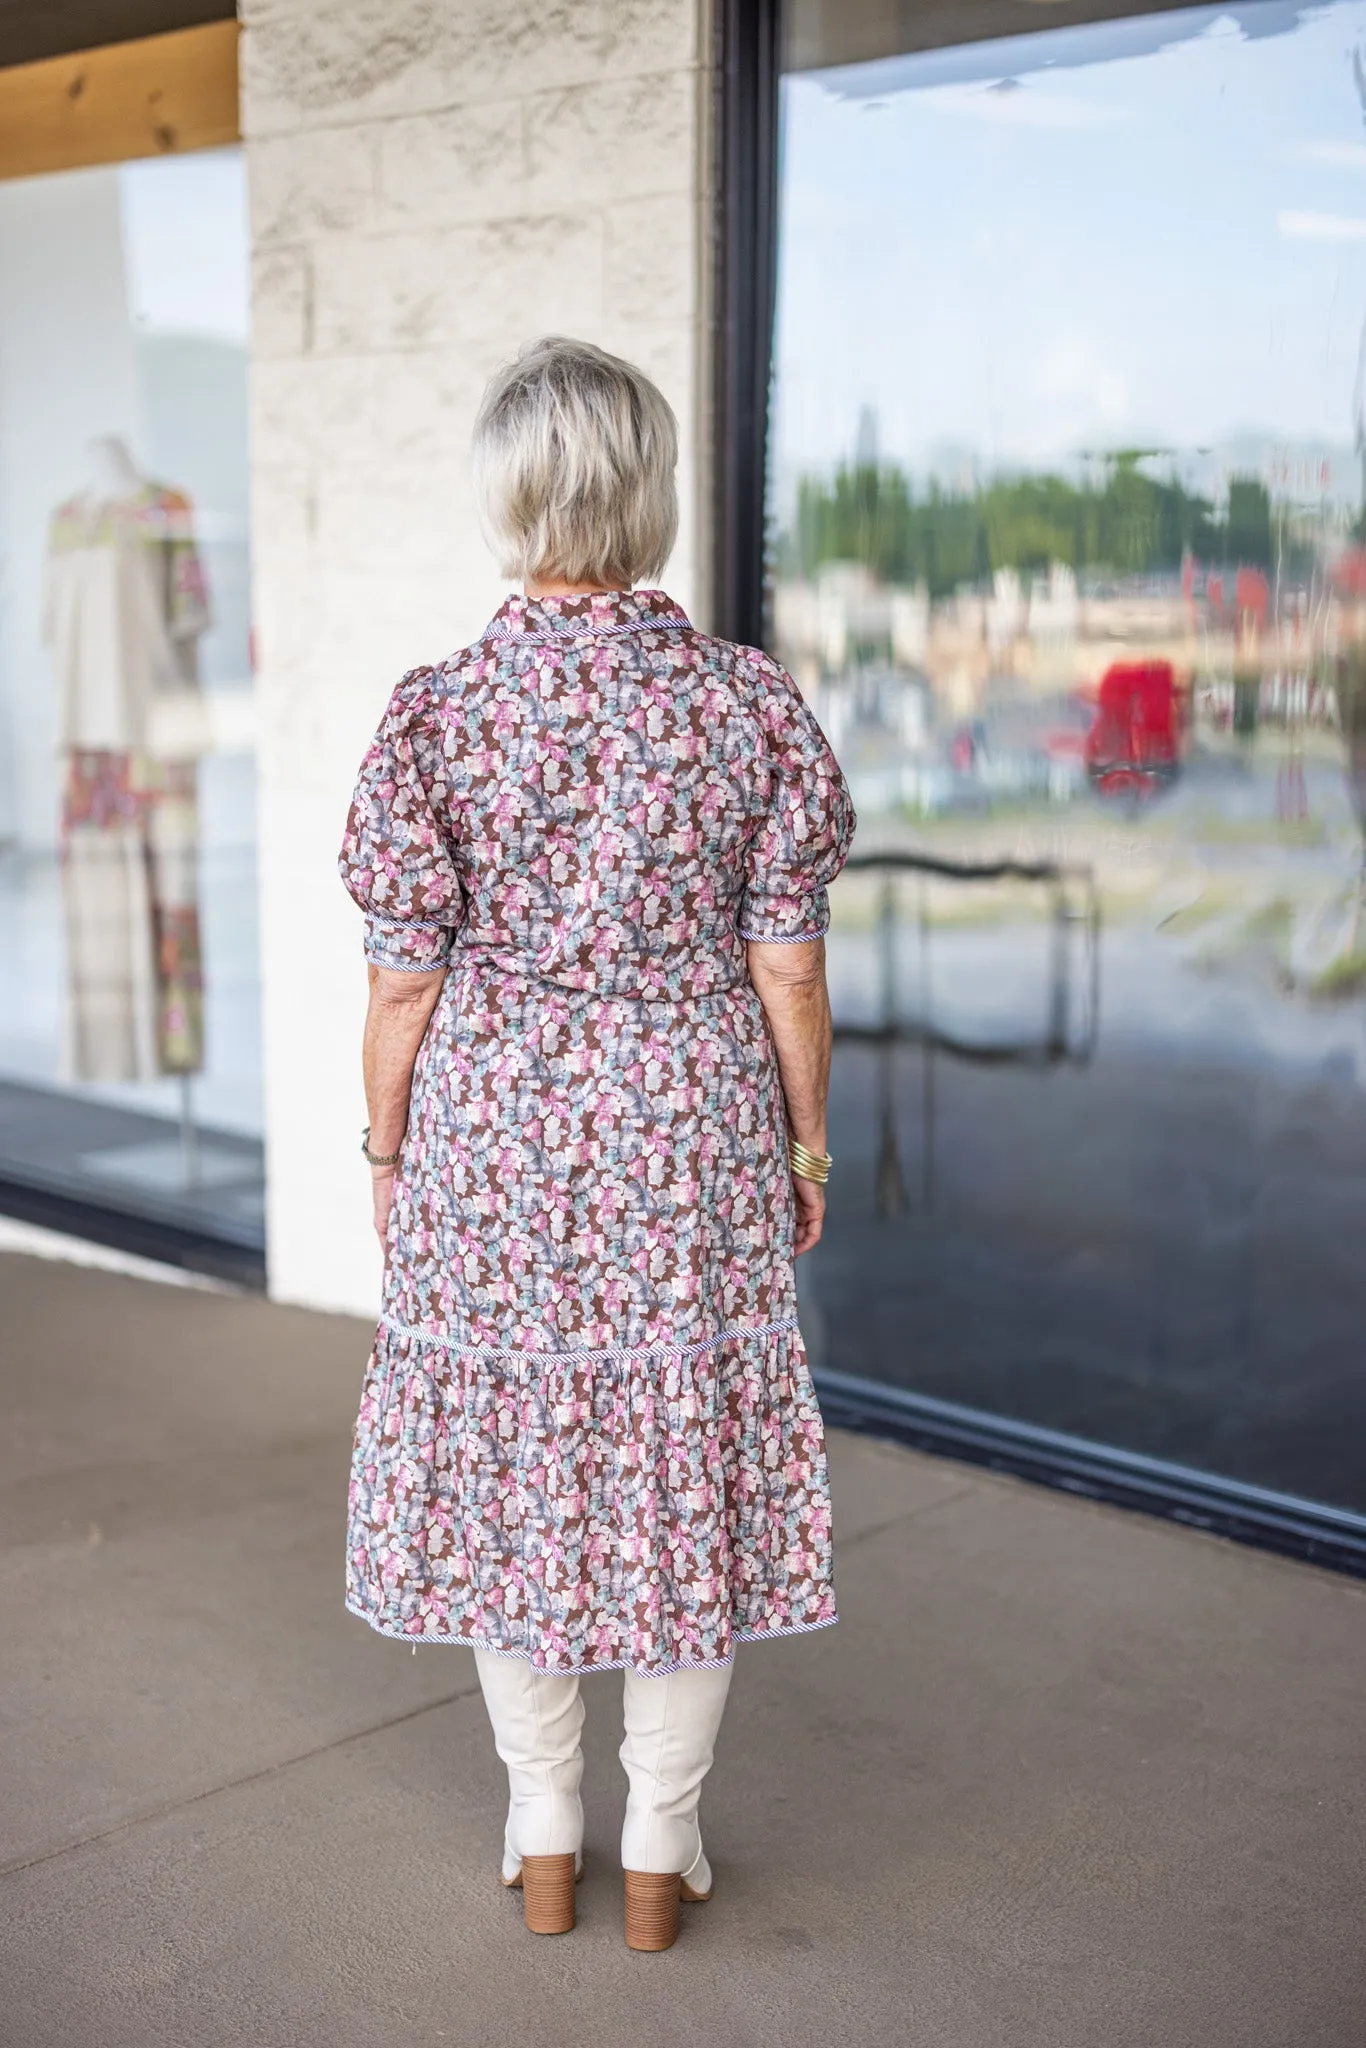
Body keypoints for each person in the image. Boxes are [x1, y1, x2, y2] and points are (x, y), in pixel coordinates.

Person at [339, 336, 854, 1951]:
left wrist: (386, 1154)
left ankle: (542, 1823)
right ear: (652, 497)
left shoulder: (436, 715)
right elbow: (787, 967)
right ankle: (661, 1849)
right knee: (673, 1479)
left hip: (492, 1143)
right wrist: (807, 1147)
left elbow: (402, 987)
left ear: (506, 497)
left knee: (519, 1479)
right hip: (687, 1133)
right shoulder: (741, 701)